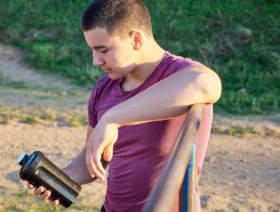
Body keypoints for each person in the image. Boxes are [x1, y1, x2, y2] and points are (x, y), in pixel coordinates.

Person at [27, 0, 222, 211]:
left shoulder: (179, 75)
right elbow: (95, 158)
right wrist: (57, 178)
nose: (96, 61)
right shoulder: (103, 88)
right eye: (93, 50)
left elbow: (207, 84)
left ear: (136, 40)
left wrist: (113, 118)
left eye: (103, 50)